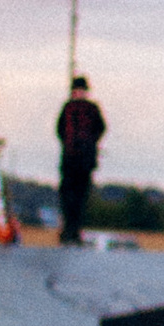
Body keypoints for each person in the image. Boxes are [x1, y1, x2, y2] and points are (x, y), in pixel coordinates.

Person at [56, 75, 106, 247]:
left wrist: (82, 144)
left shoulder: (78, 108)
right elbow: (100, 129)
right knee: (74, 196)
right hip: (78, 159)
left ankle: (72, 231)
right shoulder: (81, 108)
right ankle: (71, 231)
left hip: (77, 159)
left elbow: (60, 130)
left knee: (74, 196)